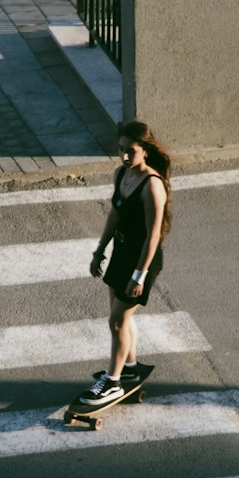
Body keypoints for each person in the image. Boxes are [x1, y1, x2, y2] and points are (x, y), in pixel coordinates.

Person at [82, 122, 173, 405]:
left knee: (117, 322)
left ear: (145, 151)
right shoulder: (121, 174)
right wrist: (100, 249)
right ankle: (129, 369)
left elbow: (154, 235)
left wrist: (139, 275)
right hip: (121, 251)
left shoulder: (152, 185)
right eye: (120, 150)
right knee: (121, 318)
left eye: (130, 151)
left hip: (140, 258)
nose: (123, 157)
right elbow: (115, 214)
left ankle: (112, 382)